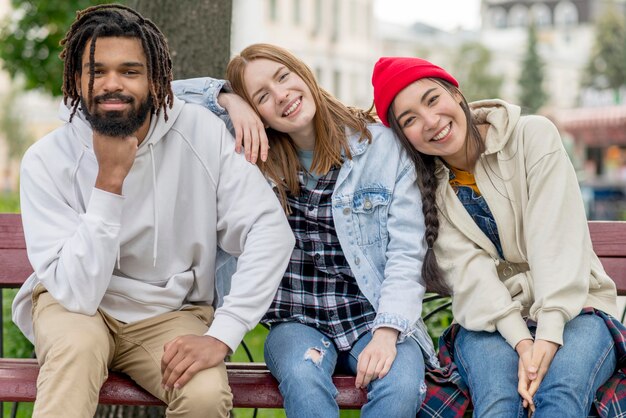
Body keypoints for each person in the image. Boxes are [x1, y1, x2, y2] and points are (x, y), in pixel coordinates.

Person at [12, 6, 294, 418]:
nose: (112, 85)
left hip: (171, 314)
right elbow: (77, 292)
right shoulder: (46, 159)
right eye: (97, 71)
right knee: (73, 355)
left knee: (204, 396)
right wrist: (109, 182)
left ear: (156, 80)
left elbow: (269, 230)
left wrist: (223, 333)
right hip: (76, 307)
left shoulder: (201, 134)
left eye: (129, 71)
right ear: (77, 79)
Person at [173, 43, 448, 418]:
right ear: (257, 114)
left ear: (302, 72)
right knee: (303, 377)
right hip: (296, 319)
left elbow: (406, 254)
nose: (282, 96)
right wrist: (226, 98)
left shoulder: (381, 147)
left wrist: (387, 333)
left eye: (283, 77)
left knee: (401, 387)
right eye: (262, 96)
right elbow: (162, 96)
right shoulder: (253, 154)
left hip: (373, 315)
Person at [370, 56, 621, 417]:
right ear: (402, 135)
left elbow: (556, 242)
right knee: (499, 401)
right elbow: (472, 275)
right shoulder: (425, 189)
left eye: (431, 100)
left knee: (560, 392)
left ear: (455, 94)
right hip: (489, 321)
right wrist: (523, 344)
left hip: (577, 309)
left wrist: (545, 338)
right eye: (409, 120)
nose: (430, 122)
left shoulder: (531, 136)